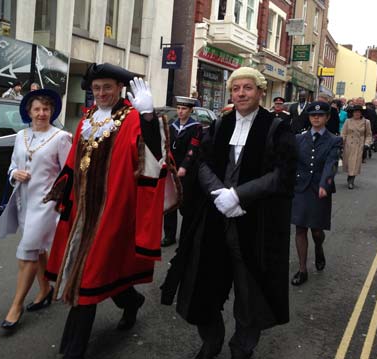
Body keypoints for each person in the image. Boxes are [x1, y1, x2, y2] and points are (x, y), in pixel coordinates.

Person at [161, 67, 297, 359]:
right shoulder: (221, 125)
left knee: (250, 294)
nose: (241, 93)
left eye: (248, 88)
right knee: (202, 285)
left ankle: (241, 347)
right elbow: (202, 163)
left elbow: (283, 174)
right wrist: (219, 194)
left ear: (261, 92)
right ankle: (211, 340)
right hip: (215, 220)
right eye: (236, 89)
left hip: (255, 225)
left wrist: (239, 195)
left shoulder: (276, 128)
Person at [43, 63, 170, 359]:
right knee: (101, 270)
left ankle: (72, 349)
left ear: (120, 88)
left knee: (88, 273)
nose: (101, 94)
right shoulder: (86, 119)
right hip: (82, 212)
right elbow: (75, 158)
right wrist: (62, 192)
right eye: (96, 88)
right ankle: (131, 300)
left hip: (112, 211)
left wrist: (149, 117)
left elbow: (156, 157)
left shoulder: (132, 118)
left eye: (107, 88)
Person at [0, 89, 72, 329]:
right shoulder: (21, 136)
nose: (41, 113)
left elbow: (69, 173)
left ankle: (15, 307)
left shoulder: (61, 137)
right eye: (36, 109)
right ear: (28, 112)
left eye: (46, 109)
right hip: (24, 202)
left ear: (52, 111)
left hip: (46, 204)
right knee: (36, 250)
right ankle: (46, 288)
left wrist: (60, 200)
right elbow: (13, 165)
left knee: (27, 251)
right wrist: (15, 173)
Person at [290, 102, 342, 286]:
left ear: (327, 118)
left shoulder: (334, 140)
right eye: (313, 115)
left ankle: (319, 246)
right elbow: (291, 162)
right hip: (300, 189)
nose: (316, 118)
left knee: (317, 231)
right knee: (300, 228)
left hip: (320, 189)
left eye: (320, 115)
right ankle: (302, 269)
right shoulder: (298, 139)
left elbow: (332, 163)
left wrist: (325, 184)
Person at [162, 96, 203, 247]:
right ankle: (169, 235)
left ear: (190, 110)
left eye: (184, 109)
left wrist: (184, 166)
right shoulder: (172, 126)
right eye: (178, 108)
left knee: (186, 205)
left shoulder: (195, 127)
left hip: (187, 171)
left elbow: (193, 149)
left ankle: (188, 235)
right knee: (170, 203)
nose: (180, 112)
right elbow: (166, 146)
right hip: (172, 169)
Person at [341, 105, 372, 189]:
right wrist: (340, 143)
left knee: (355, 164)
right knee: (349, 163)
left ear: (361, 113)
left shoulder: (366, 122)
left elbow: (369, 135)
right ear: (352, 113)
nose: (357, 113)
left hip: (359, 146)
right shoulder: (348, 121)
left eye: (359, 112)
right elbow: (343, 133)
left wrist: (367, 144)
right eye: (355, 112)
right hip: (348, 145)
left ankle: (351, 181)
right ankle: (349, 176)